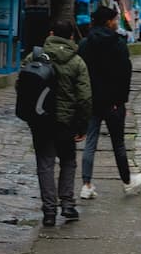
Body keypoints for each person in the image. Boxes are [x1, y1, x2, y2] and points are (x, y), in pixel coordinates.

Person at [22, 19, 91, 227]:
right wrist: (82, 125)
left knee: (45, 164)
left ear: (51, 33)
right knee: (68, 161)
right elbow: (85, 97)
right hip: (66, 122)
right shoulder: (77, 62)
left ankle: (49, 211)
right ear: (71, 36)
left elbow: (22, 87)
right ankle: (68, 204)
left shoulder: (34, 56)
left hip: (41, 121)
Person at [78, 5, 141, 200]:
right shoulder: (118, 44)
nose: (117, 23)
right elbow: (125, 74)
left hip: (91, 100)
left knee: (90, 142)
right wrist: (120, 100)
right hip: (113, 103)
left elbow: (81, 74)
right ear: (108, 22)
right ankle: (127, 181)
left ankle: (86, 184)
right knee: (118, 144)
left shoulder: (84, 44)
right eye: (115, 20)